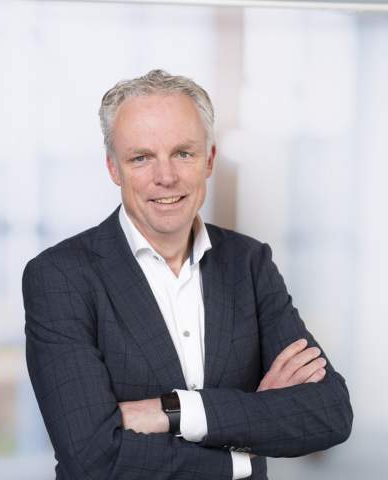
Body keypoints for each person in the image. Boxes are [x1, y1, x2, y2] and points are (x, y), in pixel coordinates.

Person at [22, 69, 353, 479]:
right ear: (113, 168)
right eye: (141, 158)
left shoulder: (249, 263)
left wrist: (173, 411)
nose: (165, 177)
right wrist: (246, 438)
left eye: (183, 153)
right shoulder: (60, 277)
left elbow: (330, 413)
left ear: (209, 159)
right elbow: (92, 458)